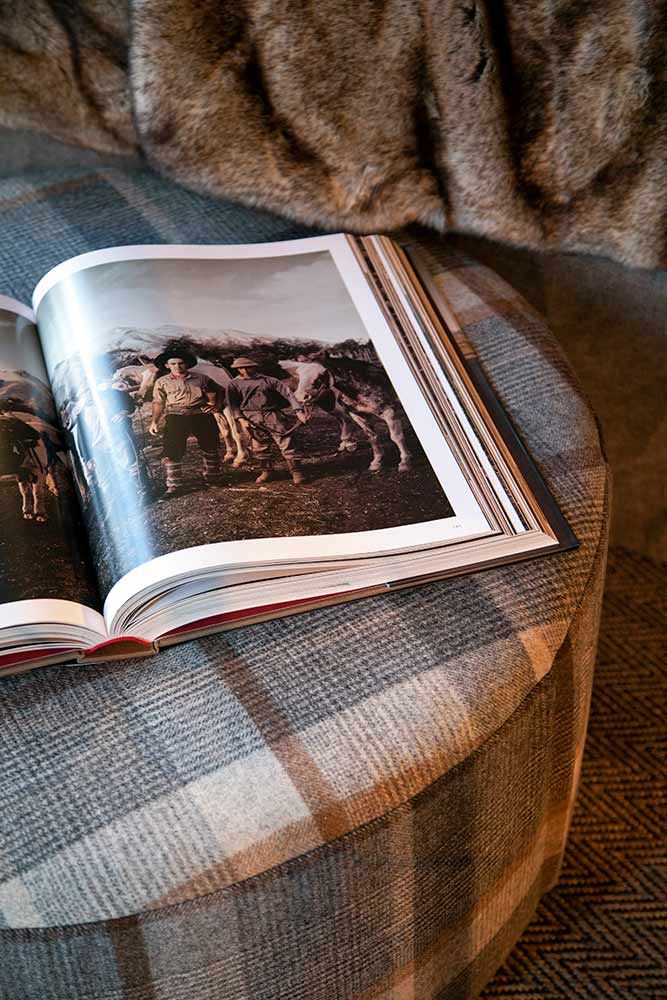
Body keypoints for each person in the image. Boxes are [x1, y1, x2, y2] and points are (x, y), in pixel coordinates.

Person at [149, 350, 221, 496]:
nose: (177, 366)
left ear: (186, 364)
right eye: (173, 363)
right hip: (176, 416)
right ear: (167, 365)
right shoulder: (162, 382)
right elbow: (158, 402)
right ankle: (174, 485)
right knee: (172, 450)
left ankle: (212, 478)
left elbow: (219, 391)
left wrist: (216, 406)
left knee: (210, 446)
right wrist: (154, 422)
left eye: (181, 363)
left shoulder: (201, 378)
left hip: (200, 415)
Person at [226, 357, 308, 484]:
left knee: (287, 442)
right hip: (250, 417)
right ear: (237, 369)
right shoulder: (233, 384)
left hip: (272, 414)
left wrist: (298, 411)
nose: (245, 370)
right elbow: (233, 404)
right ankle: (266, 471)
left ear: (254, 367)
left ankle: (296, 471)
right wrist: (241, 419)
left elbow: (288, 394)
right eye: (241, 368)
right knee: (259, 446)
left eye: (248, 367)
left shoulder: (268, 380)